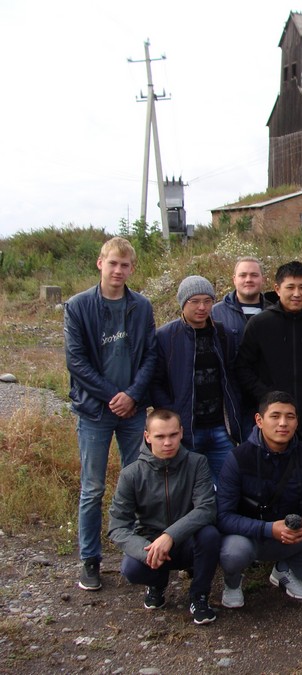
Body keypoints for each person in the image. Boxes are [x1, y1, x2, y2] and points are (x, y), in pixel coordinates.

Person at [64, 236, 158, 592]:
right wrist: (111, 396)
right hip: (94, 411)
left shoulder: (141, 307)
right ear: (100, 263)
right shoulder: (78, 306)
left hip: (133, 410)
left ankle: (138, 552)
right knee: (92, 488)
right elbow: (76, 361)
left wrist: (132, 395)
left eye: (125, 265)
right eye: (113, 263)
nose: (118, 270)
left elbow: (151, 355)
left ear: (132, 269)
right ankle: (90, 558)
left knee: (139, 482)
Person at [216, 391, 302, 607]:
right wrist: (267, 529)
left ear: (297, 421)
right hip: (250, 537)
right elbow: (223, 516)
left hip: (292, 536)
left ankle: (287, 571)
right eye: (275, 416)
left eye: (290, 417)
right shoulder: (238, 457)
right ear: (259, 420)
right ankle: (232, 582)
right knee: (233, 552)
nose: (283, 423)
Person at [108, 409, 220, 624]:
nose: (167, 442)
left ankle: (199, 596)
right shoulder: (131, 474)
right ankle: (157, 584)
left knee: (210, 535)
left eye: (173, 435)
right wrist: (146, 551)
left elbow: (206, 508)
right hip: (151, 543)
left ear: (181, 433)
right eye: (160, 436)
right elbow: (117, 526)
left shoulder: (197, 463)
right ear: (147, 436)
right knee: (131, 569)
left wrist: (170, 536)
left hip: (187, 539)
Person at [151, 276, 242, 482]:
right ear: (183, 303)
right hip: (186, 430)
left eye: (207, 301)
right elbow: (155, 382)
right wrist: (172, 413)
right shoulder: (165, 337)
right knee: (188, 486)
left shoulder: (223, 334)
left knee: (227, 485)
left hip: (221, 428)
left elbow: (232, 376)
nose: (202, 307)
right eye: (195, 301)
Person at [235, 261, 302, 442]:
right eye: (290, 287)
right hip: (270, 416)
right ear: (277, 289)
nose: (297, 294)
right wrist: (266, 396)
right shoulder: (260, 324)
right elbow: (243, 367)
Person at [212, 256, 271, 438]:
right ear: (234, 279)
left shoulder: (274, 311)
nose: (248, 279)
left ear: (263, 279)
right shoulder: (216, 313)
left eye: (254, 275)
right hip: (230, 395)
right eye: (243, 275)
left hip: (265, 393)